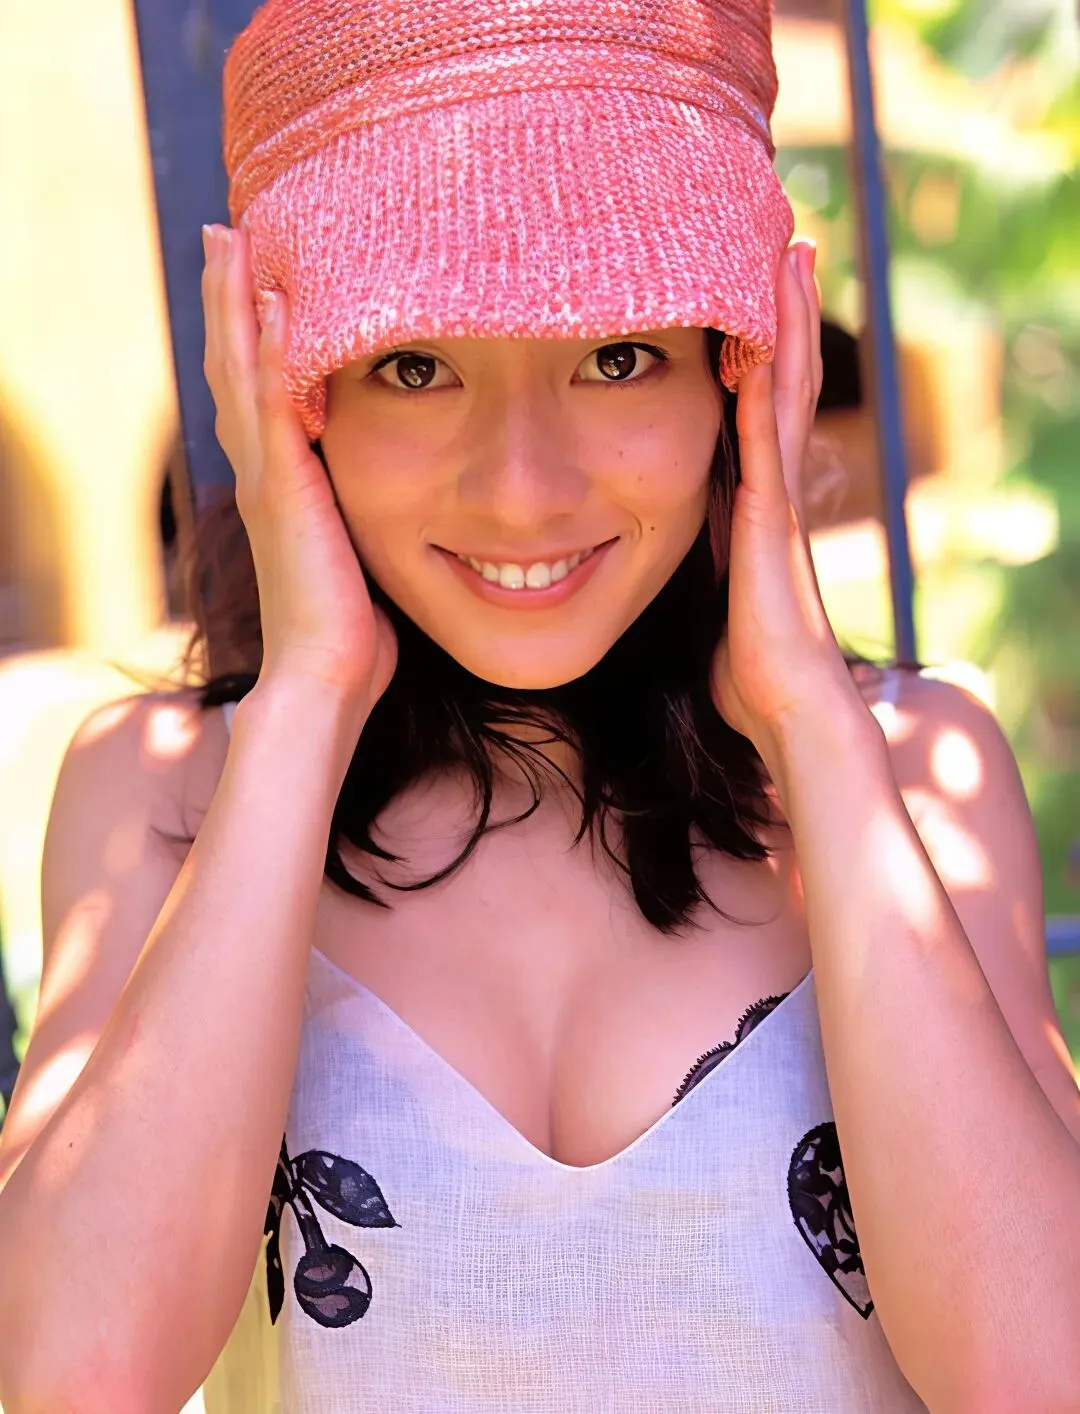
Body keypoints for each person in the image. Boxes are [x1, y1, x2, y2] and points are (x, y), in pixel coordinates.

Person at [1, 1, 1079, 1410]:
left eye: (617, 355)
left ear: (745, 361)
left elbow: (1040, 1371)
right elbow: (74, 1378)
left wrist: (811, 719)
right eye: (415, 365)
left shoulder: (911, 769)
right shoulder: (166, 792)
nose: (523, 488)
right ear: (283, 388)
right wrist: (308, 697)